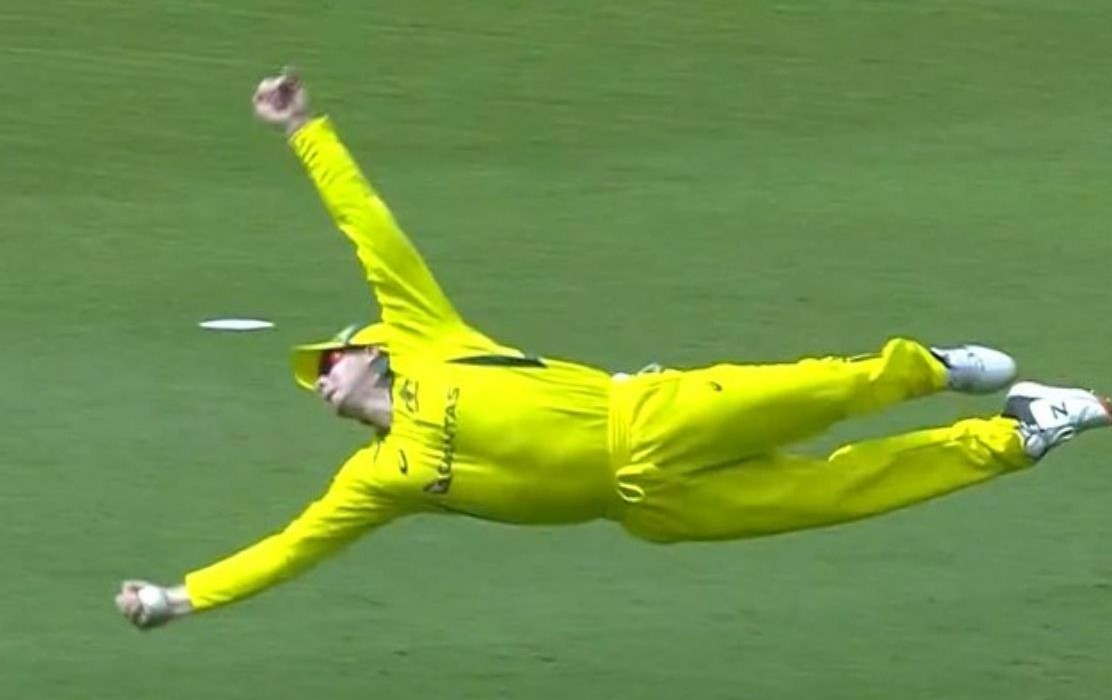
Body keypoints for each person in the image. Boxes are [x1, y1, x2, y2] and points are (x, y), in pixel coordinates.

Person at [114, 70, 1111, 630]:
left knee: (829, 388)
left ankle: (935, 368)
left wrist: (303, 131)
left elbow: (370, 230)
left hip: (652, 415)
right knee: (839, 493)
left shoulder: (425, 336)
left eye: (327, 359)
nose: (321, 378)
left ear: (371, 349)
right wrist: (177, 598)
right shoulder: (381, 477)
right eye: (315, 378)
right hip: (650, 507)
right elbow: (290, 548)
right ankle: (1024, 432)